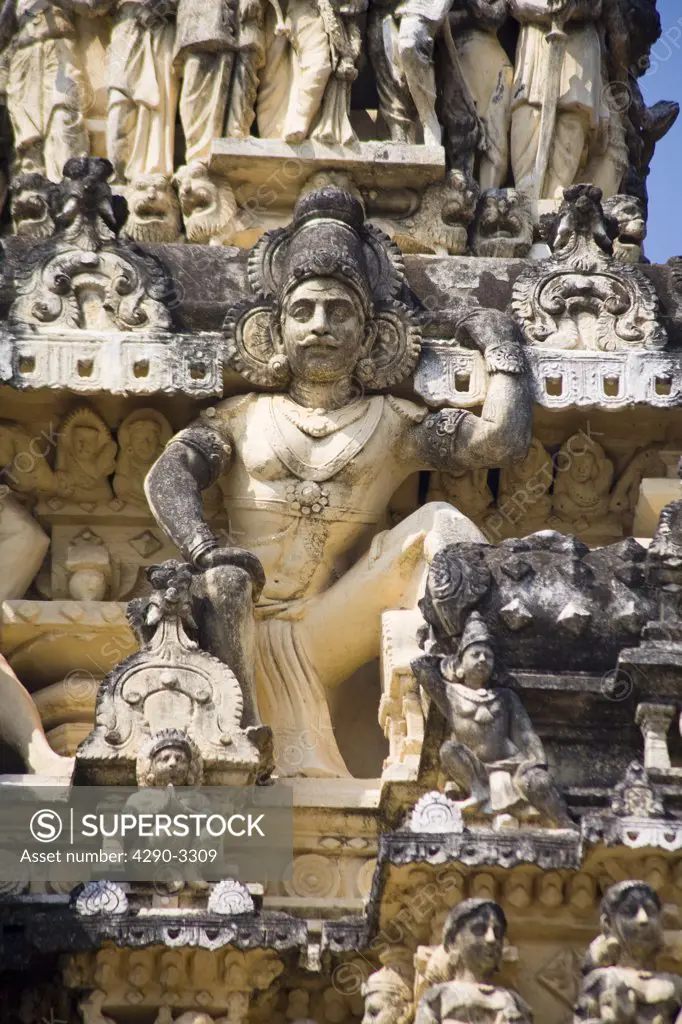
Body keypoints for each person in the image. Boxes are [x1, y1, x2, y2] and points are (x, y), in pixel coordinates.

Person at [145, 186, 531, 777]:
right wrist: (203, 548)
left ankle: (469, 692)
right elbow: (168, 473)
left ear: (373, 334)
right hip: (235, 623)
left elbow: (498, 442)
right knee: (223, 581)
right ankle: (241, 749)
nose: (320, 326)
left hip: (323, 627)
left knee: (442, 523)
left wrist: (504, 351)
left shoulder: (394, 425)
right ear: (273, 331)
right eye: (302, 312)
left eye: (339, 311)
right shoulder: (241, 417)